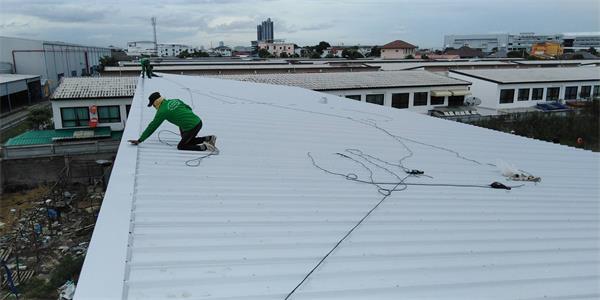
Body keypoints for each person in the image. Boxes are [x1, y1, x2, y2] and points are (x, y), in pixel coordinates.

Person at [128, 92, 216, 151]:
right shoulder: (174, 100)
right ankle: (209, 138)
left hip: (192, 127)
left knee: (181, 146)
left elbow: (152, 126)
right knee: (188, 140)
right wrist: (185, 121)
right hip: (198, 121)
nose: (154, 107)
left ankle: (204, 147)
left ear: (156, 102)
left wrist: (140, 140)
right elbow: (188, 108)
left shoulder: (162, 112)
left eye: (153, 105)